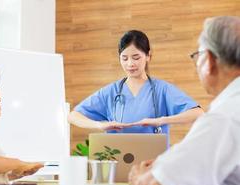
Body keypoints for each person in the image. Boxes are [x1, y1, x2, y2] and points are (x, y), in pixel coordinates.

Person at [128, 16, 240, 185]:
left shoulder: (225, 117)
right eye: (125, 58)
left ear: (209, 60)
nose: (130, 64)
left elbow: (155, 182)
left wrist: (139, 175)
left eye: (198, 56)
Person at [68, 30, 203, 136]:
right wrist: (100, 125)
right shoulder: (111, 92)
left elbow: (198, 113)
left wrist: (160, 120)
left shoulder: (162, 89)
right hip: (119, 162)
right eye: (124, 58)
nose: (130, 64)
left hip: (153, 164)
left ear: (148, 56)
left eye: (136, 57)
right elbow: (73, 116)